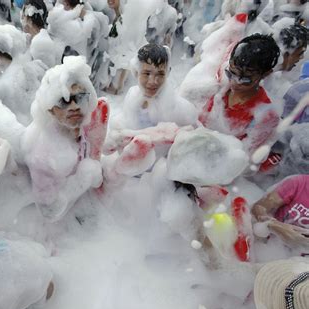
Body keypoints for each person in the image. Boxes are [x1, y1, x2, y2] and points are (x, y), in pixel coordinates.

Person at [22, 56, 105, 222]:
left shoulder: (78, 125)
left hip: (81, 205)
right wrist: (85, 176)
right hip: (59, 228)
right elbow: (49, 211)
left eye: (80, 97)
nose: (74, 106)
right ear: (50, 109)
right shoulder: (44, 156)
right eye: (64, 100)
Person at [199, 33, 281, 154]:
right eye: (231, 73)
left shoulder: (265, 115)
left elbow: (245, 160)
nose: (235, 82)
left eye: (245, 79)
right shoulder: (222, 92)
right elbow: (201, 122)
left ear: (266, 74)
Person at [119, 43, 197, 130]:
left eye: (160, 74)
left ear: (167, 74)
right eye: (147, 73)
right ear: (137, 72)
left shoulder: (180, 111)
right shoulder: (132, 98)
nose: (153, 81)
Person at [251, 174, 309, 247]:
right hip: (268, 243)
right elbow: (259, 207)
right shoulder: (299, 183)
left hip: (299, 255)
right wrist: (274, 226)